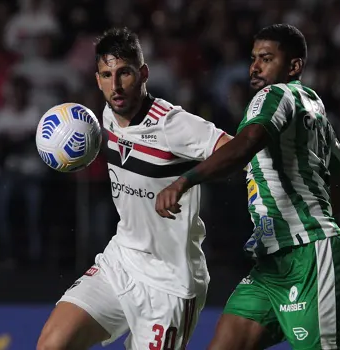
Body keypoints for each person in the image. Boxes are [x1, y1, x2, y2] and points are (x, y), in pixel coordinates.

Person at [156, 24, 340, 350]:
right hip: (272, 266)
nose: (254, 66)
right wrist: (309, 216)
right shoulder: (313, 110)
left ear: (293, 66)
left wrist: (186, 180)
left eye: (266, 58)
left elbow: (247, 143)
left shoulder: (276, 94)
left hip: (309, 259)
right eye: (253, 58)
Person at [37, 27, 231, 350]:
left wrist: (187, 180)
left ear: (143, 74)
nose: (115, 86)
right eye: (106, 75)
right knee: (51, 344)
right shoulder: (102, 119)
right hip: (121, 262)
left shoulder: (172, 125)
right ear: (97, 79)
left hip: (171, 283)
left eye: (124, 73)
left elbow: (235, 149)